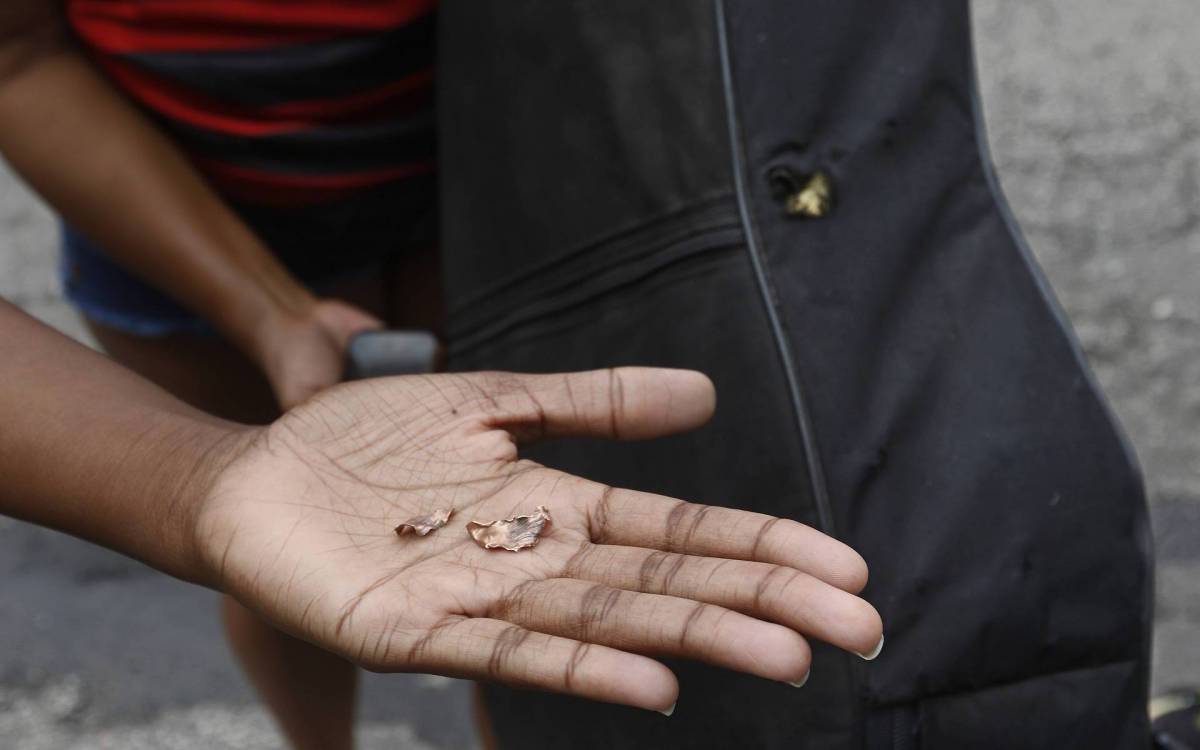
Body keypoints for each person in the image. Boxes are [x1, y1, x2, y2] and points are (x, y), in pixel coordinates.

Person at [0, 298, 883, 728]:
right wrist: (205, 476)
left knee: (508, 654)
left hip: (445, 189)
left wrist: (211, 473)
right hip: (196, 229)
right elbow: (23, 60)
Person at [0, 2, 445, 746]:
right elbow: (15, 53)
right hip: (165, 192)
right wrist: (265, 319)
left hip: (478, 169)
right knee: (285, 558)